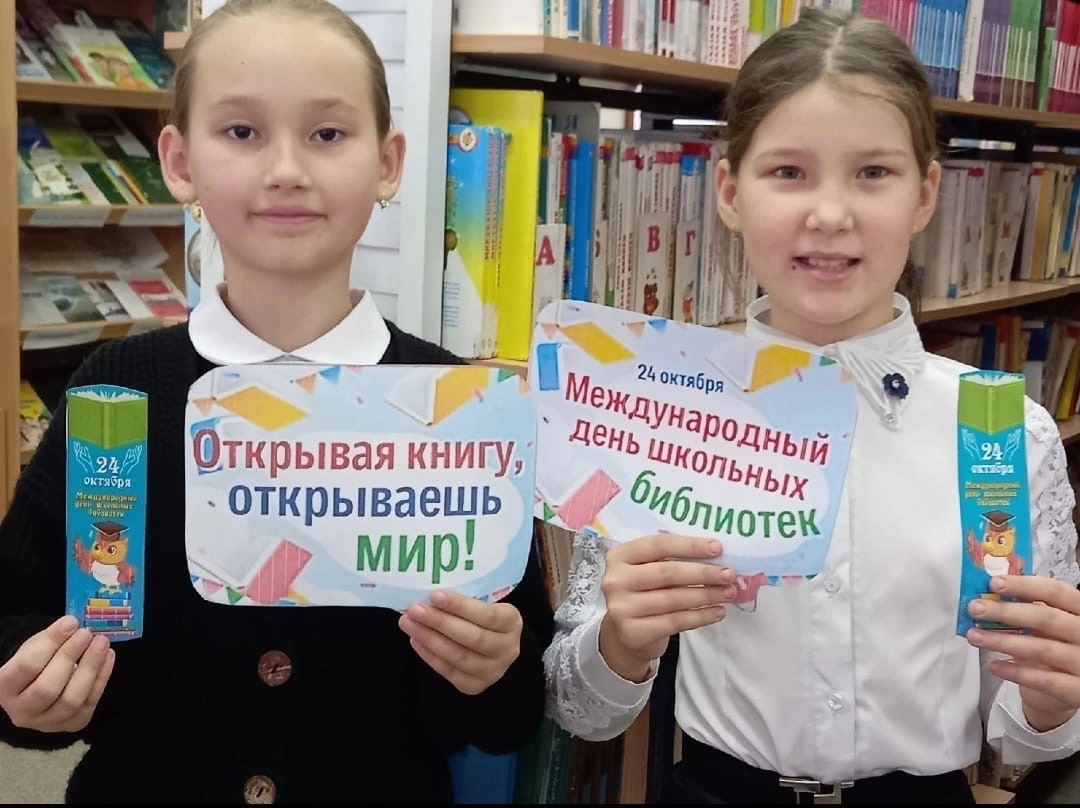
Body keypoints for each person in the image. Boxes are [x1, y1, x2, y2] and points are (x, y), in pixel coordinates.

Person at [0, 0, 554, 802]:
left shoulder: (454, 407)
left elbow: (515, 708)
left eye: (327, 134)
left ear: (388, 163)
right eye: (242, 131)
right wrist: (28, 691)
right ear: (179, 161)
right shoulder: (118, 391)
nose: (287, 168)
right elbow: (16, 617)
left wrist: (492, 670)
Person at [543, 9, 1080, 804]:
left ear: (927, 193)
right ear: (730, 192)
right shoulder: (659, 413)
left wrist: (1055, 697)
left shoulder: (1000, 436)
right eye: (789, 172)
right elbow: (580, 710)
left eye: (874, 172)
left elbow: (1019, 732)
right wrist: (621, 638)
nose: (830, 214)